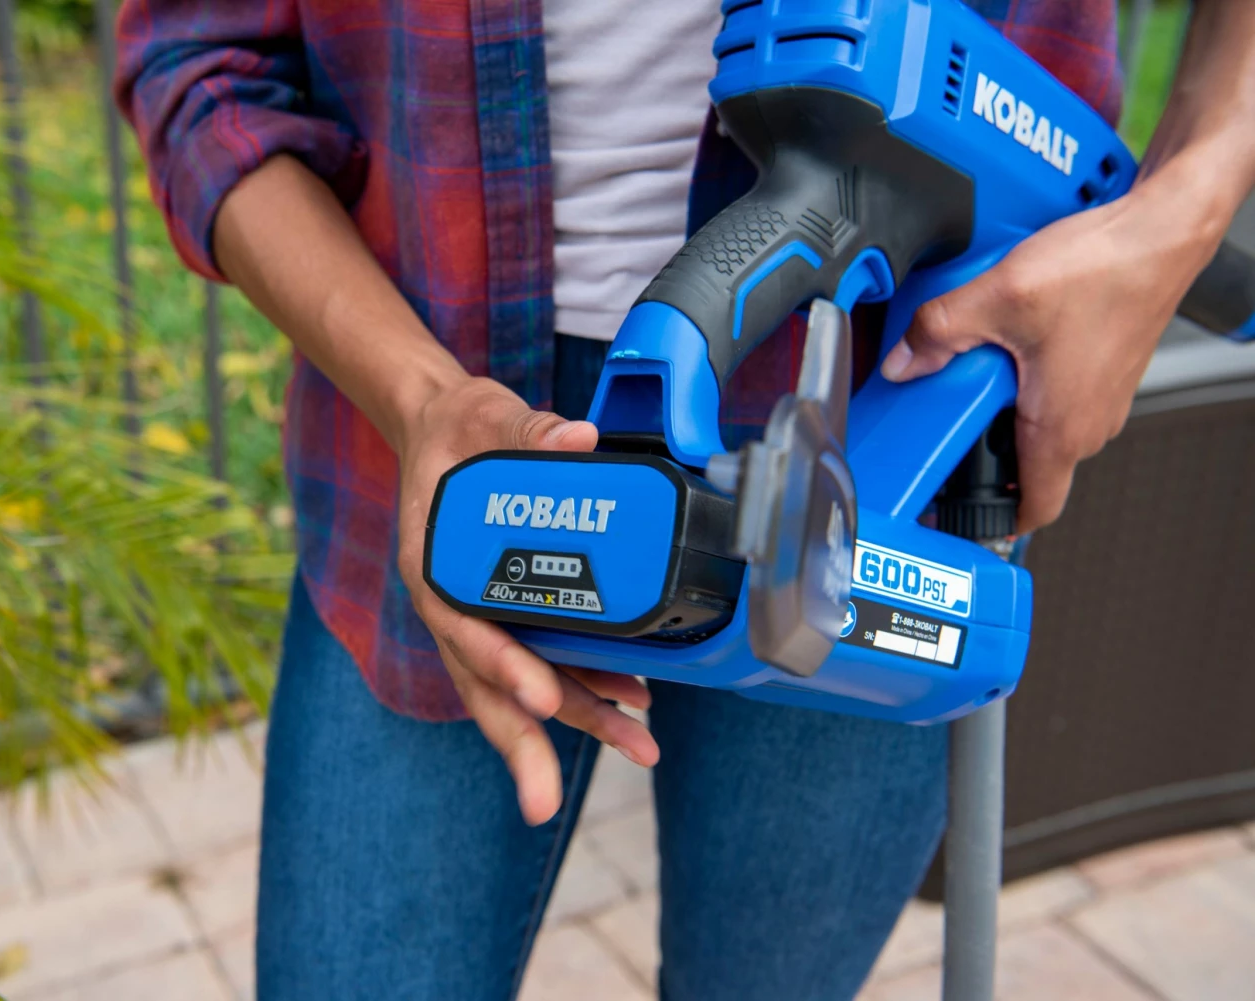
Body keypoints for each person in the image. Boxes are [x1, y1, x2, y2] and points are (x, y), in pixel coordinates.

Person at [116, 1, 1255, 997]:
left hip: (877, 452)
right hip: (427, 427)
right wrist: (419, 402)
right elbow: (201, 66)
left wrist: (1172, 225)